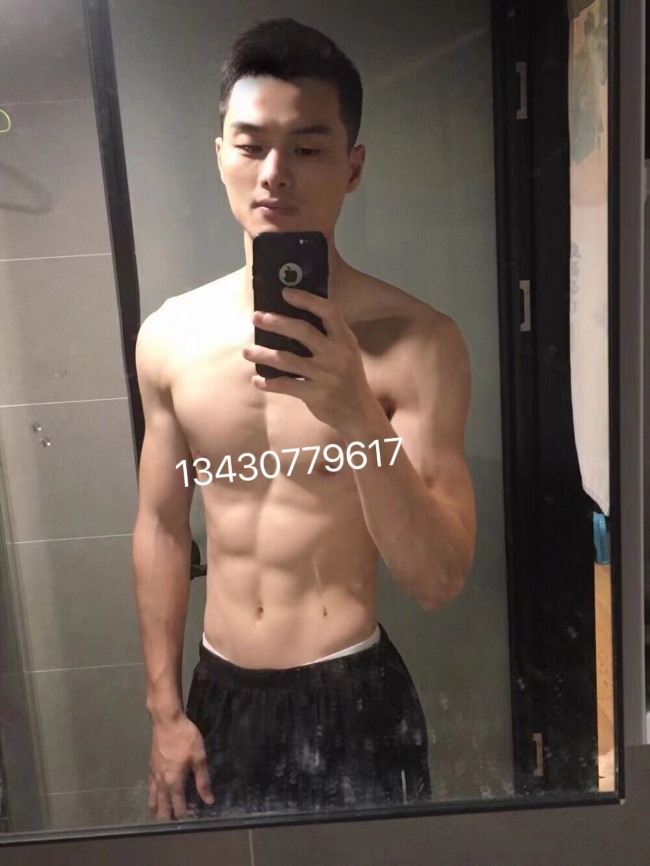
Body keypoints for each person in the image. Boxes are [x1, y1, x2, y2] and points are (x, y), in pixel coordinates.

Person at [132, 17, 476, 821]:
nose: (275, 175)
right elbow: (161, 527)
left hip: (353, 694)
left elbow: (436, 579)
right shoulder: (170, 337)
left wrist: (355, 411)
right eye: (251, 145)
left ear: (352, 167)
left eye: (308, 148)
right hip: (220, 698)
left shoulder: (419, 343)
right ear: (219, 154)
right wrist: (163, 710)